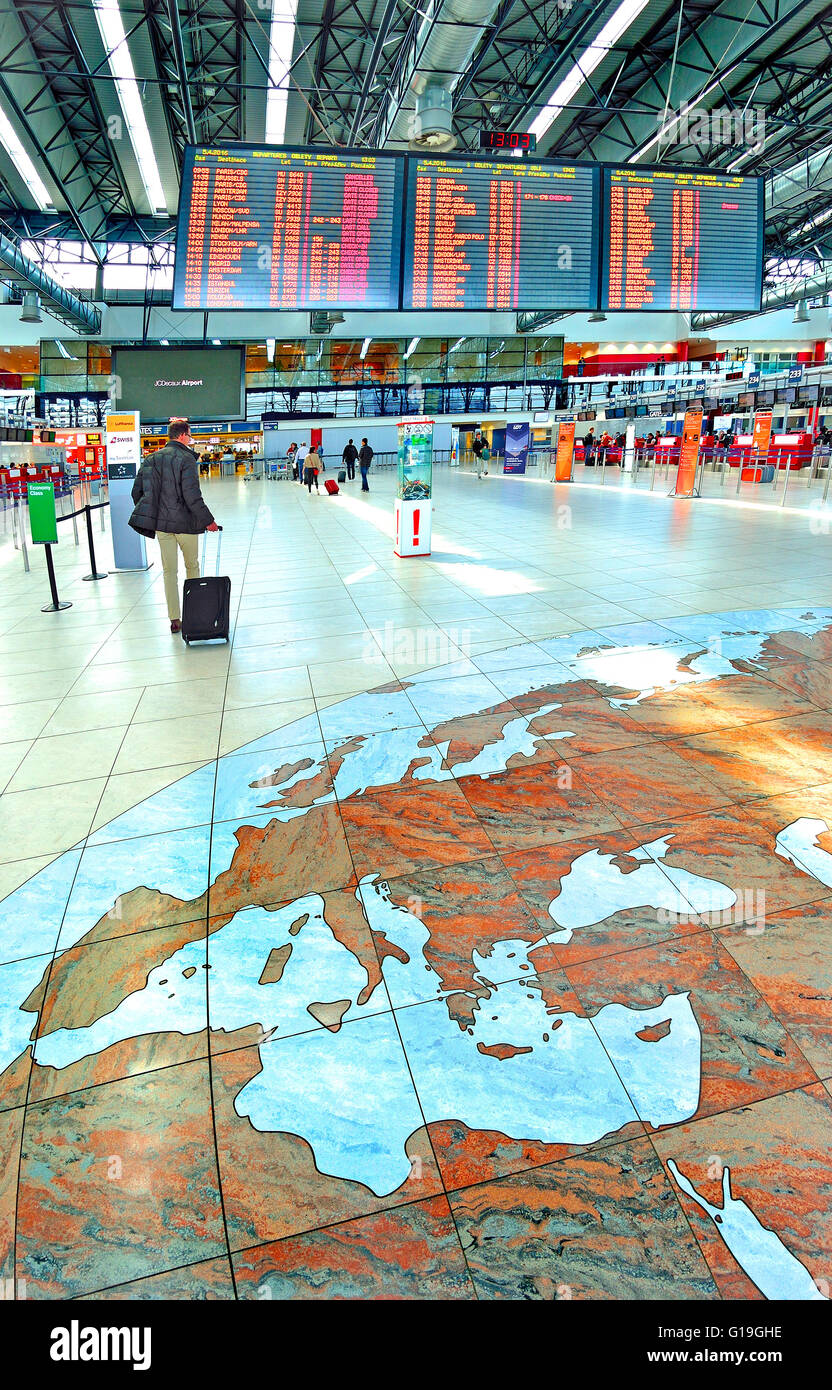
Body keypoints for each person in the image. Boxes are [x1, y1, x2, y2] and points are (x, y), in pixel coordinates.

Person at [129, 418, 218, 634]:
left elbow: (136, 493)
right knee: (192, 566)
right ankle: (194, 612)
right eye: (189, 435)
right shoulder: (186, 459)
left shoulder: (150, 459)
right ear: (182, 435)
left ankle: (174, 619)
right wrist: (209, 521)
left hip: (163, 527)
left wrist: (155, 512)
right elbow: (192, 496)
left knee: (169, 571)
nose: (190, 439)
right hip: (186, 525)